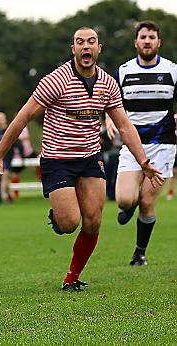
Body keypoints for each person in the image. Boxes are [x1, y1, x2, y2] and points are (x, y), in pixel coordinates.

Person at [0, 27, 163, 292]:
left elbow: (125, 127)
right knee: (69, 223)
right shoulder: (56, 80)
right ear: (73, 49)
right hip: (57, 158)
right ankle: (58, 215)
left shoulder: (108, 84)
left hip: (90, 157)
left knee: (94, 221)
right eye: (80, 42)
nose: (85, 47)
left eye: (91, 42)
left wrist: (144, 162)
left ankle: (72, 277)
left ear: (99, 48)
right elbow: (23, 118)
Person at [106, 21, 177, 266]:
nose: (147, 41)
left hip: (163, 144)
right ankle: (129, 206)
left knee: (147, 202)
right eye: (143, 37)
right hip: (132, 143)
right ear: (136, 42)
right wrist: (107, 118)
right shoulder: (124, 71)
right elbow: (111, 102)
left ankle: (139, 253)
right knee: (125, 200)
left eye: (152, 37)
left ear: (159, 42)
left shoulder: (172, 70)